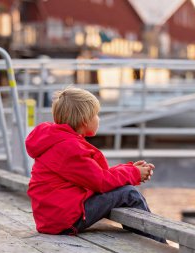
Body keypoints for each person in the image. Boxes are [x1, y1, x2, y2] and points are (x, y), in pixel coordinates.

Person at [25, 87, 165, 243]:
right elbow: (100, 181)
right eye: (96, 114)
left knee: (123, 192)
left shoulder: (59, 142)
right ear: (85, 120)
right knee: (129, 194)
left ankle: (148, 240)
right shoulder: (69, 148)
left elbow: (93, 175)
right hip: (63, 220)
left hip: (54, 215)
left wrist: (131, 169)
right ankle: (157, 243)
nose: (99, 118)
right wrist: (133, 174)